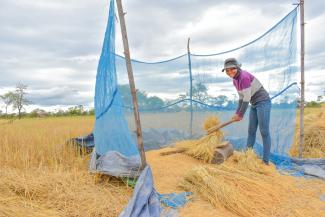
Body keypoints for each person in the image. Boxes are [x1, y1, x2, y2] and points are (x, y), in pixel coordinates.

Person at [222, 58, 272, 165]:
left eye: (232, 69)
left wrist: (240, 114)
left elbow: (247, 98)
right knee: (251, 131)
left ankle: (265, 161)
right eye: (227, 70)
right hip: (254, 104)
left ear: (238, 67)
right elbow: (241, 97)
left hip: (263, 102)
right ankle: (247, 156)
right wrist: (237, 113)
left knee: (264, 131)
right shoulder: (235, 80)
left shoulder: (243, 77)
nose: (230, 72)